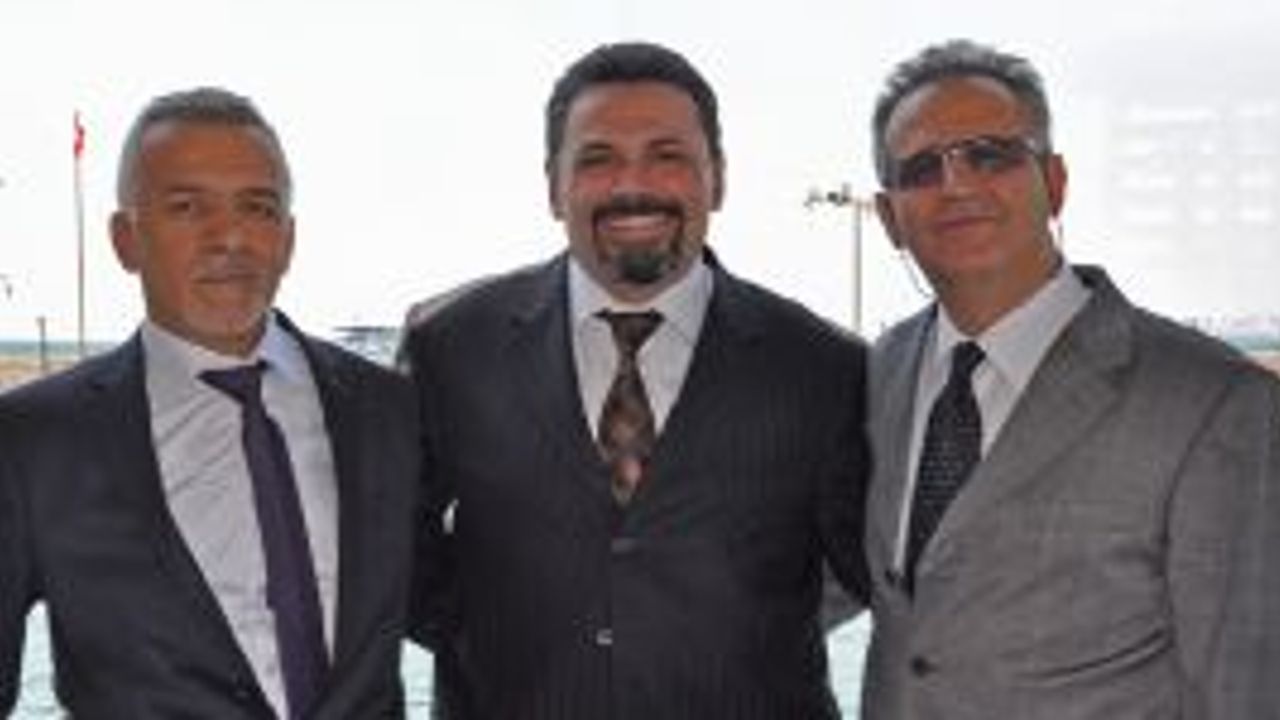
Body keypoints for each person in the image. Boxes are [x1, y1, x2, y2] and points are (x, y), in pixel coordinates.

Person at [400, 41, 870, 719]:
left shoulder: (823, 366)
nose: (632, 184)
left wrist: (744, 630)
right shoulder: (450, 345)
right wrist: (492, 635)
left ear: (718, 178)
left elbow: (872, 569)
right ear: (553, 186)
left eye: (667, 155)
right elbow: (393, 545)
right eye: (597, 158)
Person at [861, 39, 1280, 719]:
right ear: (889, 219)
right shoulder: (878, 375)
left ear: (1054, 183)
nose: (956, 184)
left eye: (990, 155)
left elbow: (1247, 689)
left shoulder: (1217, 404)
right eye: (922, 168)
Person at [0, 87, 419, 718]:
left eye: (257, 207)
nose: (230, 236)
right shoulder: (34, 438)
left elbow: (466, 605)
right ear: (125, 239)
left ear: (288, 238)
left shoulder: (388, 410)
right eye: (187, 207)